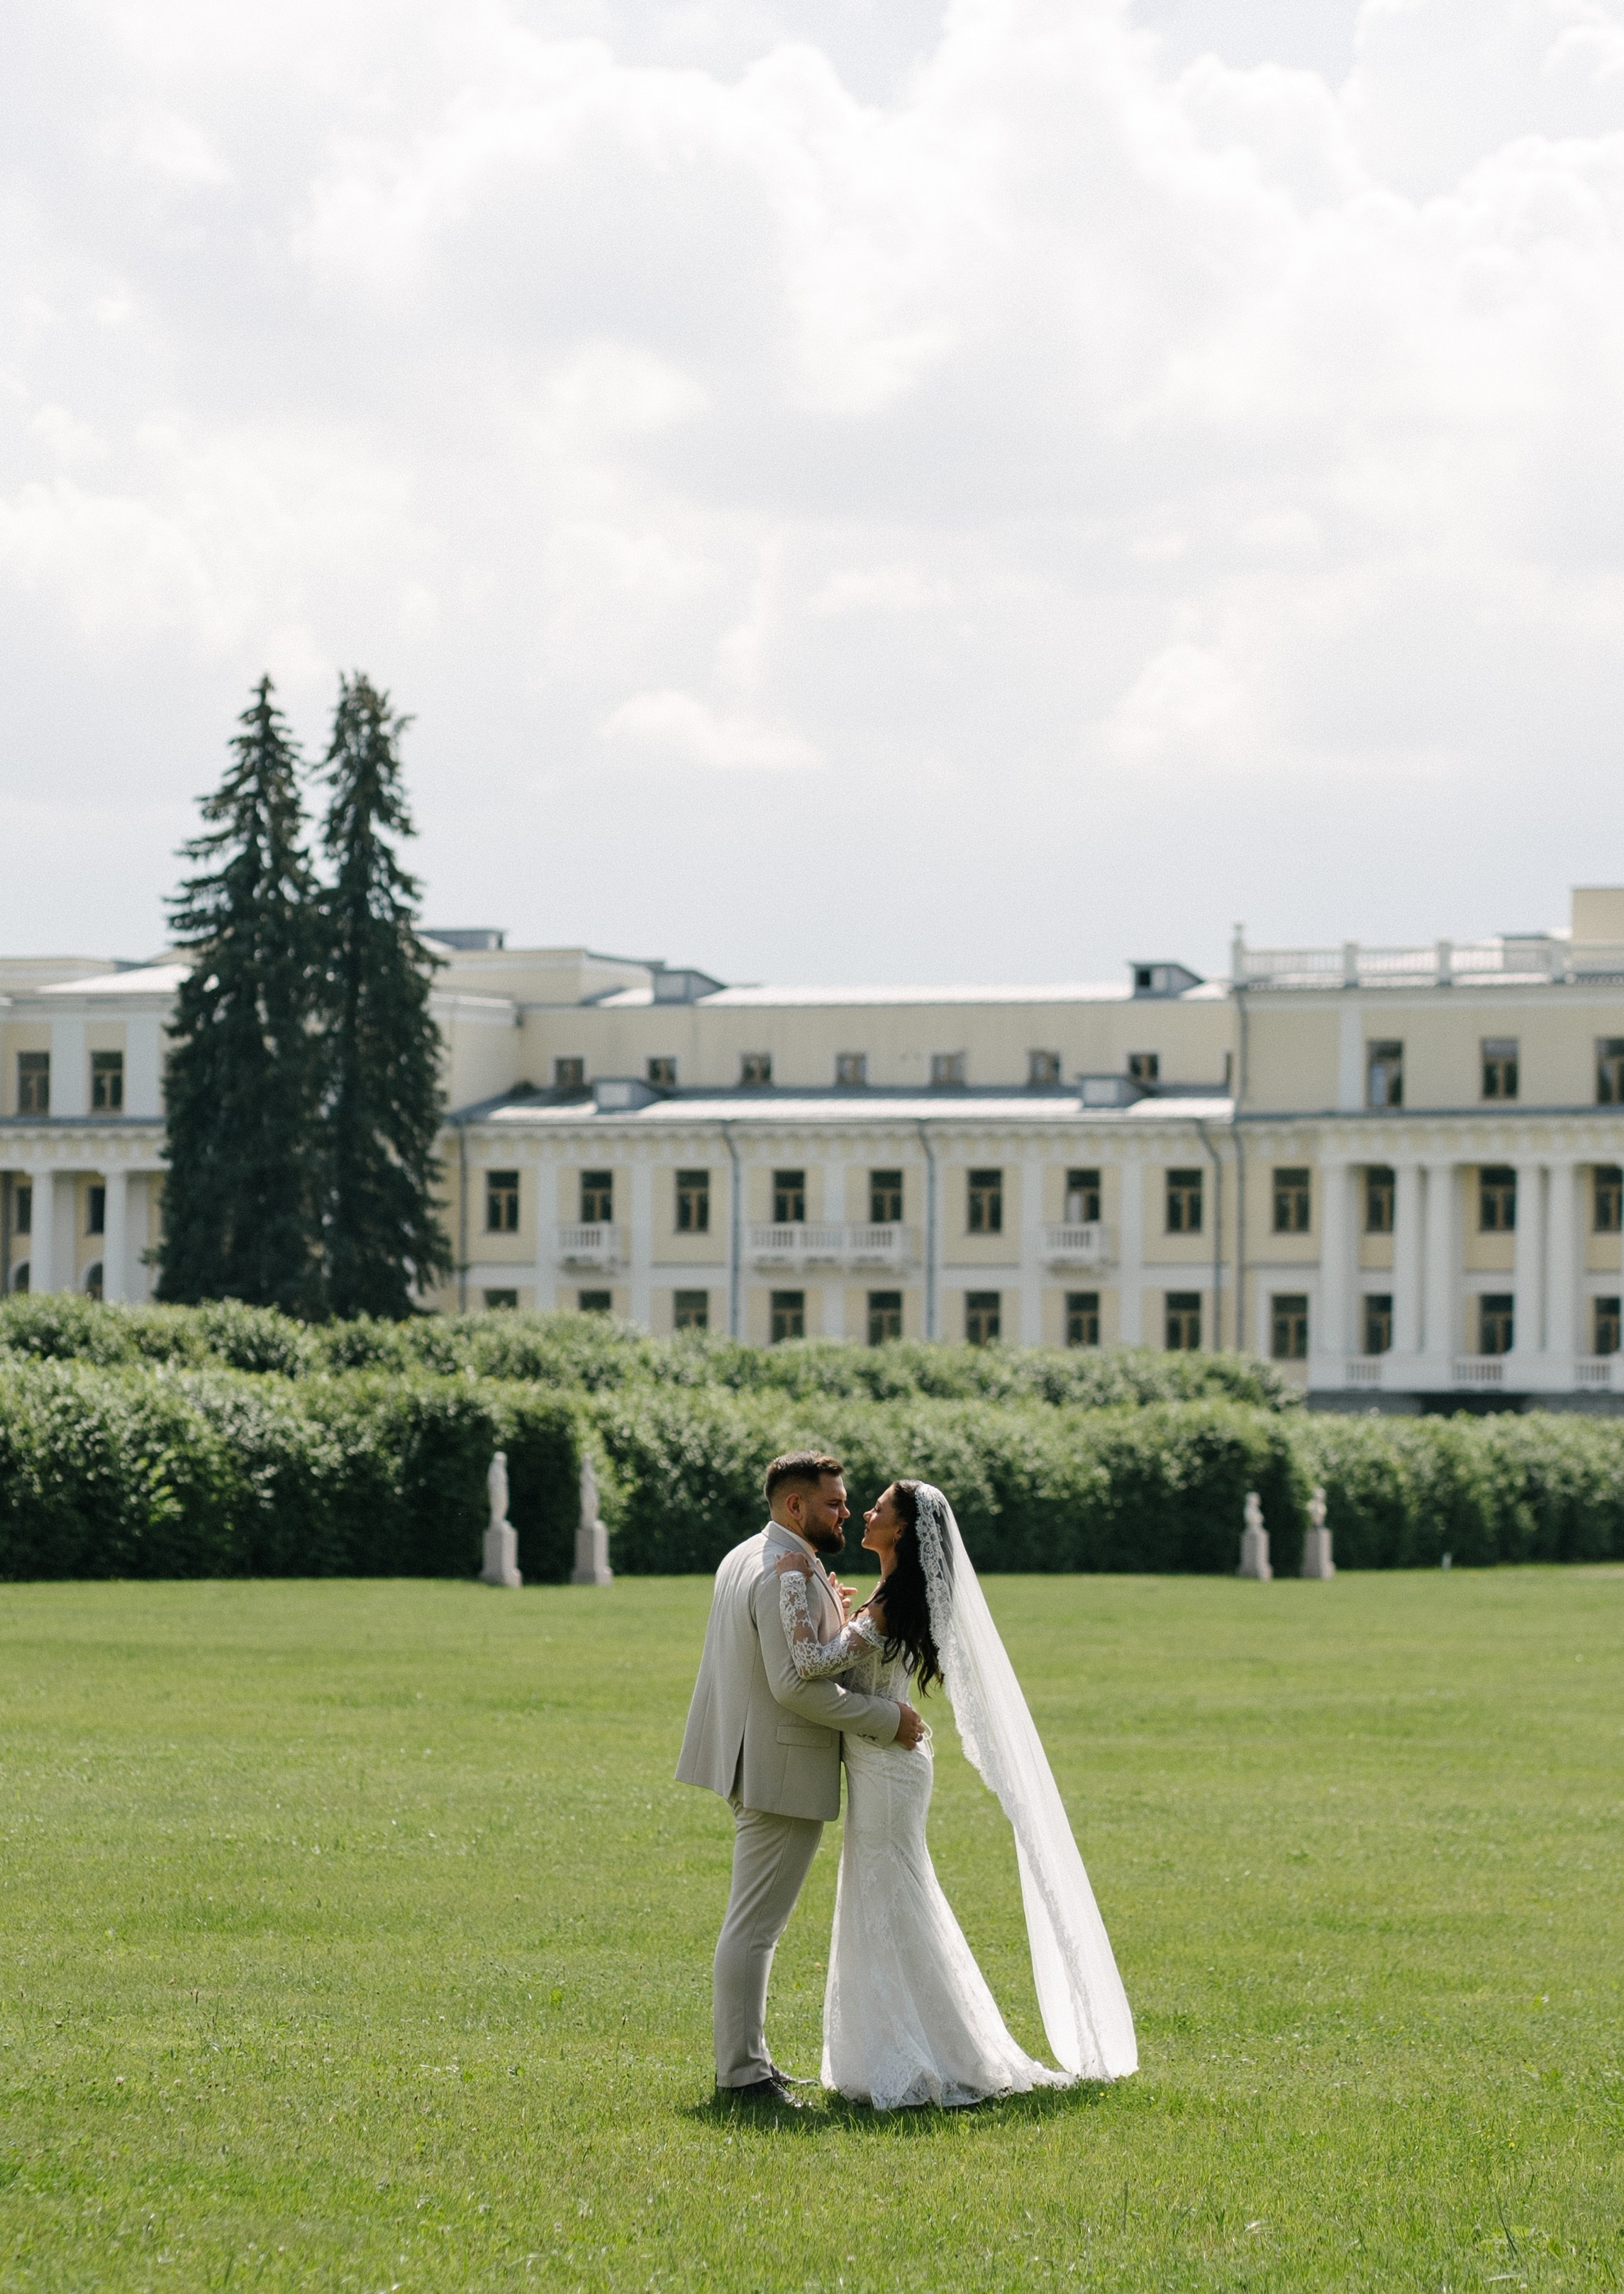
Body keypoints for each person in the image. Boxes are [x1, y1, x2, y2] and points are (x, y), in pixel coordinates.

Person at [777, 1479, 1138, 2110]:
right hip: (884, 1762)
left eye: (880, 1509)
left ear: (903, 1531)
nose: (865, 1512)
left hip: (889, 1769)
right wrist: (833, 1605)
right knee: (883, 1899)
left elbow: (809, 1665)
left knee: (891, 1901)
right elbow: (845, 1662)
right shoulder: (888, 1597)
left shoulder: (893, 1601)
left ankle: (924, 2055)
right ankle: (904, 2048)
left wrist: (789, 1581)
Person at [674, 1451, 925, 2107]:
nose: (847, 1511)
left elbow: (788, 1655)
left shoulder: (752, 1553)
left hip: (752, 1756)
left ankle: (750, 2064)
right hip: (776, 1765)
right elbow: (791, 1684)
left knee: (754, 1924)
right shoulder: (778, 1568)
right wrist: (883, 1718)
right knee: (754, 1927)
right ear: (796, 1506)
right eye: (834, 1503)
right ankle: (742, 2077)